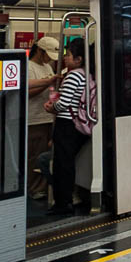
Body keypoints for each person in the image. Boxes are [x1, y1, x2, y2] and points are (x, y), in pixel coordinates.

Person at [50, 37, 94, 215]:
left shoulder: (73, 75)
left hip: (66, 123)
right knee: (68, 163)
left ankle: (63, 203)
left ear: (78, 59)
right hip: (78, 124)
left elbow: (63, 103)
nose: (65, 58)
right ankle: (66, 200)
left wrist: (51, 107)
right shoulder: (87, 74)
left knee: (62, 164)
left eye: (68, 55)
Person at [26, 36, 61, 210]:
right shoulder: (28, 67)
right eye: (48, 55)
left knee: (46, 155)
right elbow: (27, 93)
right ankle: (34, 188)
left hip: (48, 117)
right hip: (34, 118)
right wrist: (48, 83)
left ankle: (44, 187)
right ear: (40, 51)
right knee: (34, 156)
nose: (50, 59)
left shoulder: (47, 66)